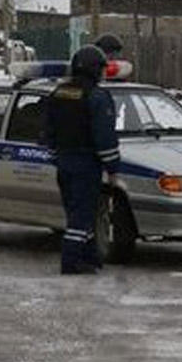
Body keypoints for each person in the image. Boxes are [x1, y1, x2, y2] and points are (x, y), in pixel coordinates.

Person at [45, 45, 120, 275]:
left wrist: (57, 157)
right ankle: (71, 262)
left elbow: (48, 132)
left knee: (77, 213)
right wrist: (113, 167)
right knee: (81, 216)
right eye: (101, 69)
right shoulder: (97, 97)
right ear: (94, 70)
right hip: (85, 164)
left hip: (64, 164)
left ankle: (90, 258)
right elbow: (104, 138)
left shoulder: (58, 93)